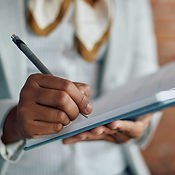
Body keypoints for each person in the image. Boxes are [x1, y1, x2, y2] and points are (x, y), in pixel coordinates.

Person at [0, 0, 162, 174]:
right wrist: (11, 123)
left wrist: (141, 120)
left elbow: (147, 80)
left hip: (113, 167)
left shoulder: (132, 4)